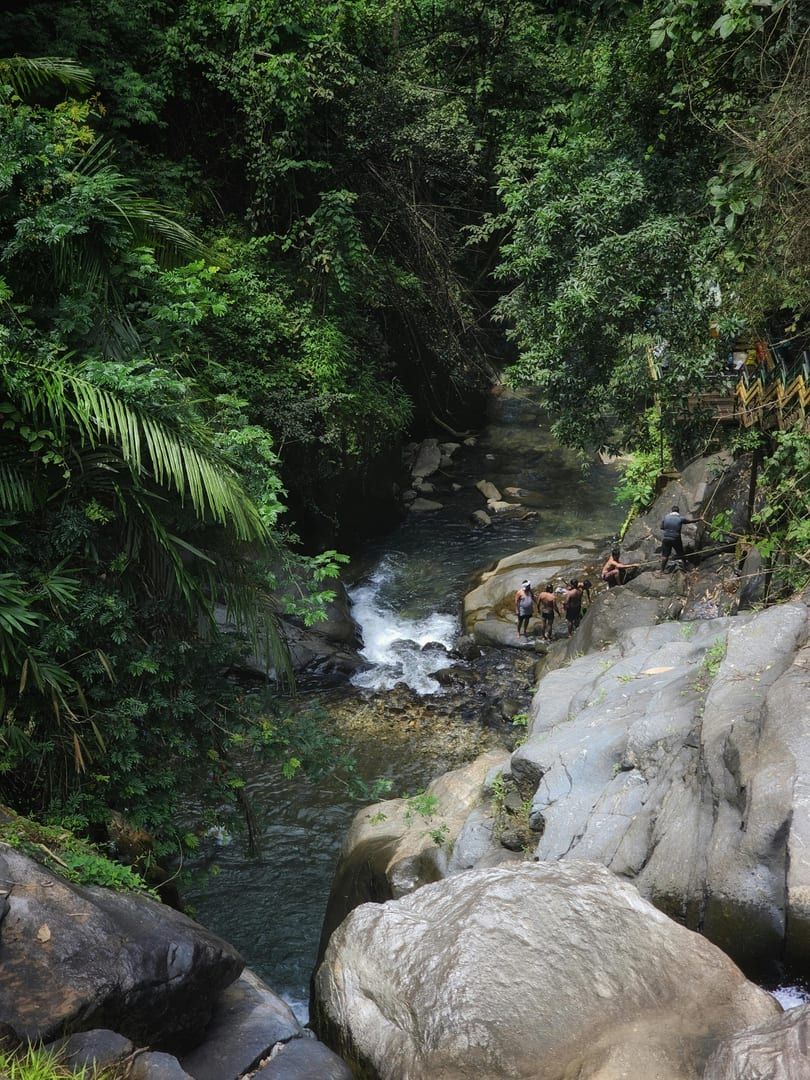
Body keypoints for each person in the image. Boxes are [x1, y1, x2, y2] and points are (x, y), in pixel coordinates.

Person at [660, 505, 702, 573]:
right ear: (678, 511)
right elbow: (690, 521)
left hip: (666, 538)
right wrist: (699, 519)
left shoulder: (666, 517)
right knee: (680, 553)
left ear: (671, 511)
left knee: (665, 555)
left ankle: (661, 570)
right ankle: (685, 565)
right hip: (675, 538)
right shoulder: (680, 518)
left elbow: (661, 527)